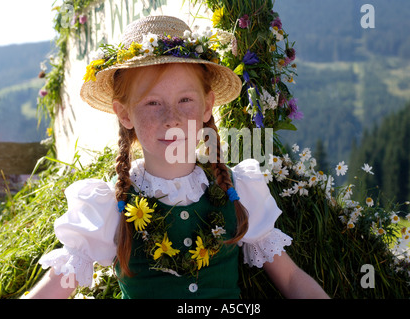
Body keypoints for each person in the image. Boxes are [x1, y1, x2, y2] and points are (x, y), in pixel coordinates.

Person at [23, 15, 329, 299]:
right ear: (124, 113)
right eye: (153, 103)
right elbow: (58, 284)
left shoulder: (239, 189)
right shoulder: (108, 206)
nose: (172, 118)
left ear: (207, 106)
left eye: (185, 100)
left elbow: (290, 279)